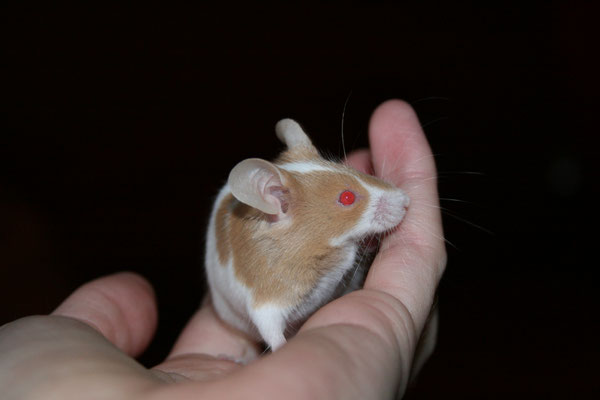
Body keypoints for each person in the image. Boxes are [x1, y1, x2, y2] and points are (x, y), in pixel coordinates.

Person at [0, 100, 446, 399]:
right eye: (349, 198)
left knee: (346, 258)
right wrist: (281, 346)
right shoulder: (277, 233)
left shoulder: (318, 231)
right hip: (241, 310)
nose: (396, 200)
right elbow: (266, 311)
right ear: (279, 206)